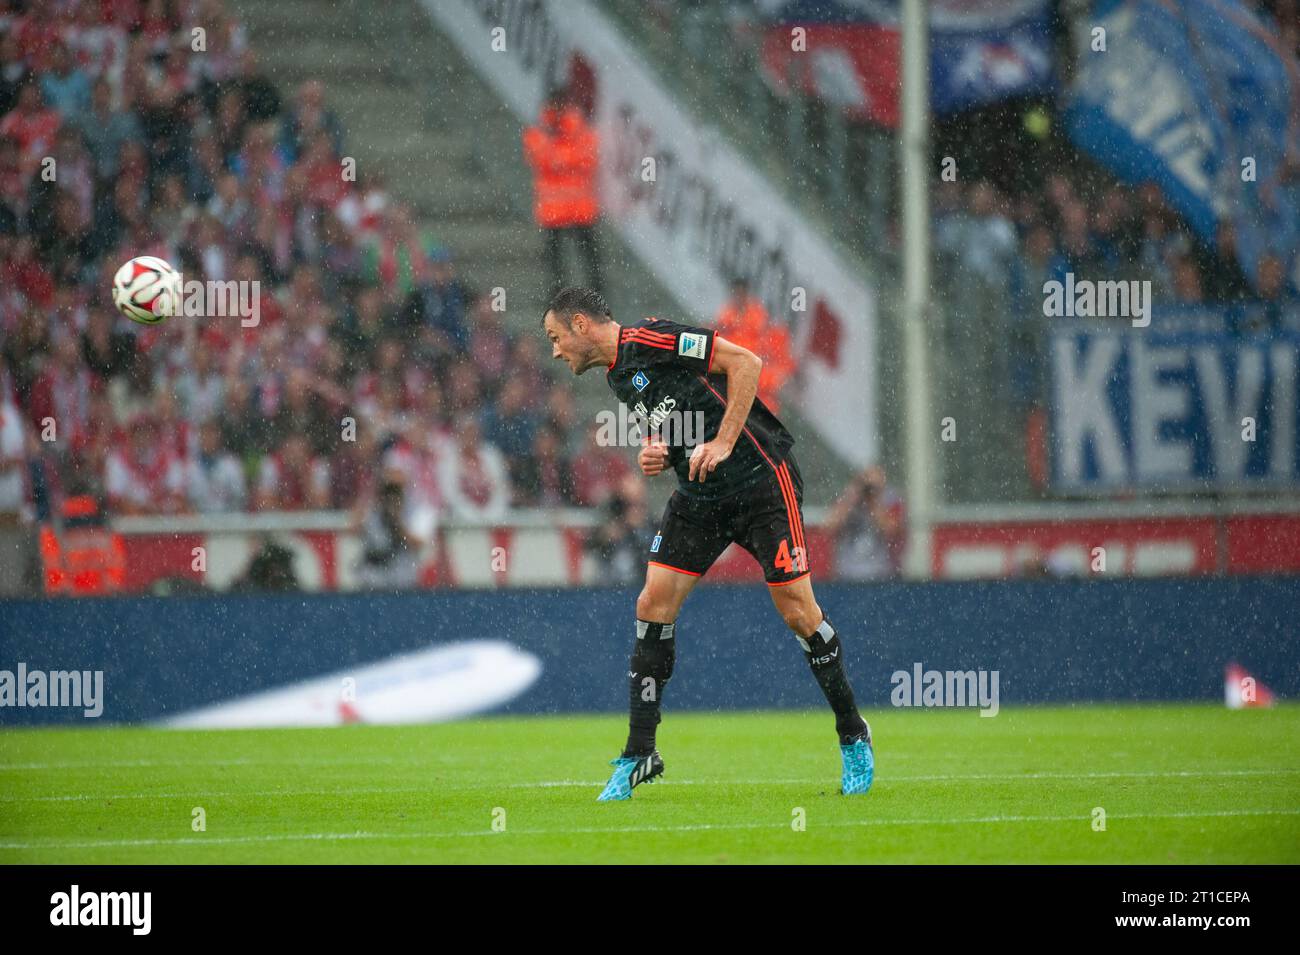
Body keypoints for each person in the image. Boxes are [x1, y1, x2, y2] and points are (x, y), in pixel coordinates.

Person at [541, 286, 873, 801]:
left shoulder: (653, 337)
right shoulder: (618, 377)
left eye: (556, 337)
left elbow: (745, 362)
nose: (555, 350)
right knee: (652, 602)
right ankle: (639, 752)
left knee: (798, 612)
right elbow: (684, 423)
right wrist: (661, 453)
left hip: (761, 481)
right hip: (700, 495)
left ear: (581, 324)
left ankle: (853, 733)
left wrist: (721, 443)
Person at [523, 90, 602, 294]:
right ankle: (558, 294)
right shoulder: (542, 129)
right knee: (557, 259)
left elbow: (588, 157)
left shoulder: (576, 128)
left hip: (578, 207)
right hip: (554, 209)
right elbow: (540, 158)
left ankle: (595, 292)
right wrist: (566, 159)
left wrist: (559, 158)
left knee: (588, 257)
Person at [824, 465, 905, 581]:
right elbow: (829, 527)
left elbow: (891, 531)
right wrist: (852, 498)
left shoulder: (891, 499)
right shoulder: (848, 499)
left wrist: (873, 502)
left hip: (882, 574)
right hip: (847, 574)